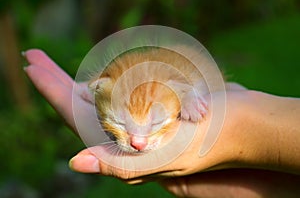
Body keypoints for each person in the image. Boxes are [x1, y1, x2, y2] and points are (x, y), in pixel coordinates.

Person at [23, 49, 300, 197]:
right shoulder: (106, 89)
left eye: (154, 124)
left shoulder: (186, 84)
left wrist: (249, 129)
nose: (137, 142)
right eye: (120, 123)